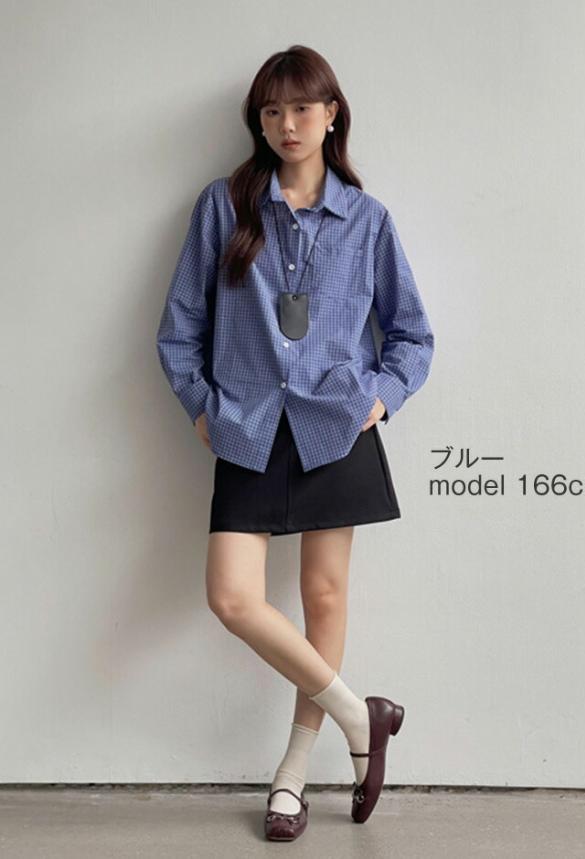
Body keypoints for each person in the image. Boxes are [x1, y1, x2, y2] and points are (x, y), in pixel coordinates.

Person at [156, 44, 435, 842]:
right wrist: (201, 405)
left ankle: (291, 775)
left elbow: (412, 334)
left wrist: (380, 398)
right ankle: (360, 715)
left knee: (324, 599)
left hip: (333, 427)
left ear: (332, 114)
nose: (286, 124)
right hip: (245, 427)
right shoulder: (225, 207)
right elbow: (180, 327)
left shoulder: (367, 220)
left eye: (301, 108)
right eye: (271, 111)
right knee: (232, 596)